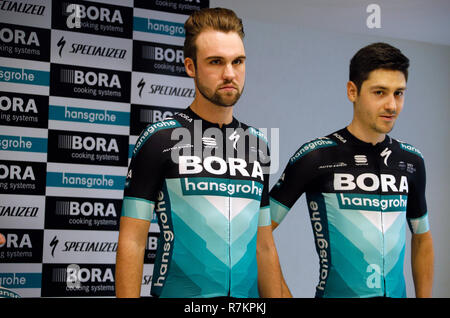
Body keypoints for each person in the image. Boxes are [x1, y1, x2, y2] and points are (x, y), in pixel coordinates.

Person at [115, 7, 283, 298]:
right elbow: (132, 241)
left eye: (238, 61)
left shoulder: (257, 143)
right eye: (216, 62)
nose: (230, 73)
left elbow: (264, 245)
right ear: (191, 67)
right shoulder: (159, 138)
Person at [270, 42, 434, 298]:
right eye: (380, 92)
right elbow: (256, 233)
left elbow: (422, 238)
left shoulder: (412, 160)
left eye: (399, 93)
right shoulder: (316, 156)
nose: (392, 105)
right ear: (352, 91)